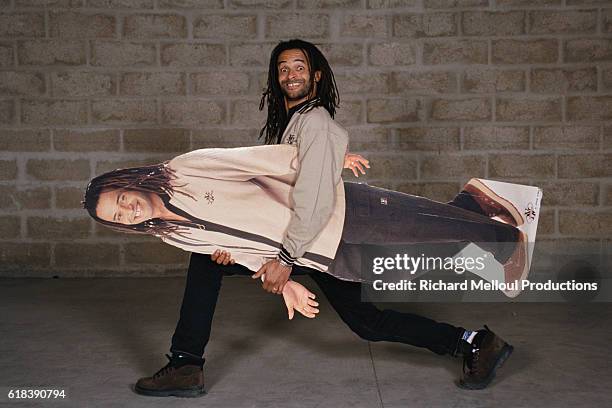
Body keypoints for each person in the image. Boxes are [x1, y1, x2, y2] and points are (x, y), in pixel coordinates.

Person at [83, 39, 524, 396]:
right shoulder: (170, 228)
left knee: (439, 229)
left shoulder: (187, 168)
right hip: (309, 247)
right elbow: (287, 173)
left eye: (120, 198)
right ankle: (476, 342)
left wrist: (287, 260)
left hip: (345, 218)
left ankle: (500, 231)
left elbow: (279, 174)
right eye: (117, 216)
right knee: (364, 321)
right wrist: (279, 273)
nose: (126, 210)